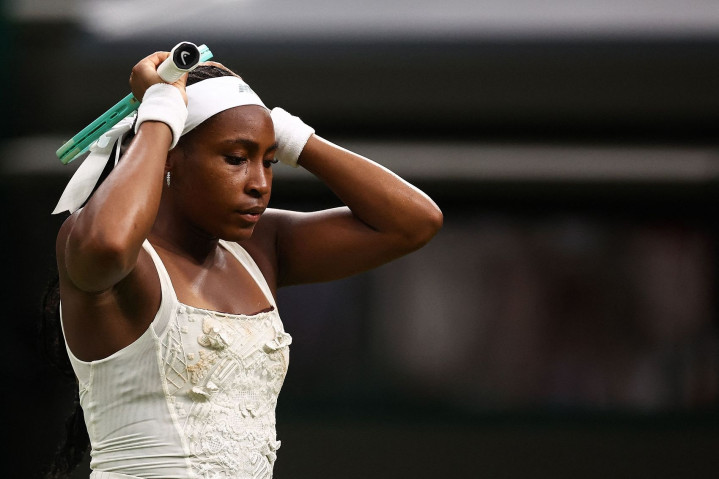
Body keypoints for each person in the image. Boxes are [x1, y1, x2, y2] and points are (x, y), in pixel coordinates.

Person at [42, 50, 443, 479]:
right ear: (169, 154)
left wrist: (284, 132)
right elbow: (107, 244)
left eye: (269, 161)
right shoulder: (111, 250)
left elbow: (414, 223)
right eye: (236, 158)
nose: (260, 184)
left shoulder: (259, 249)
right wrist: (160, 111)